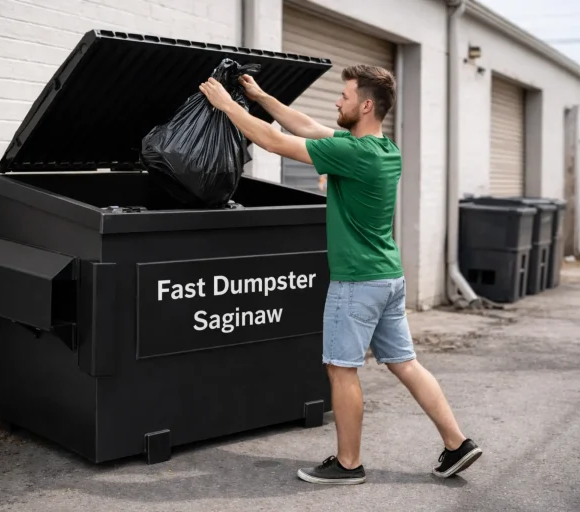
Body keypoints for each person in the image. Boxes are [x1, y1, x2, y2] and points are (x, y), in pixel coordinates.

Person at [199, 64, 481, 484]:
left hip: (357, 283)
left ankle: (349, 464)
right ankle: (458, 443)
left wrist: (225, 106)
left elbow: (273, 140)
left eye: (344, 97)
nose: (337, 101)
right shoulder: (385, 150)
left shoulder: (353, 153)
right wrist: (259, 98)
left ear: (365, 105)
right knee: (405, 363)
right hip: (388, 277)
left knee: (341, 368)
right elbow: (307, 125)